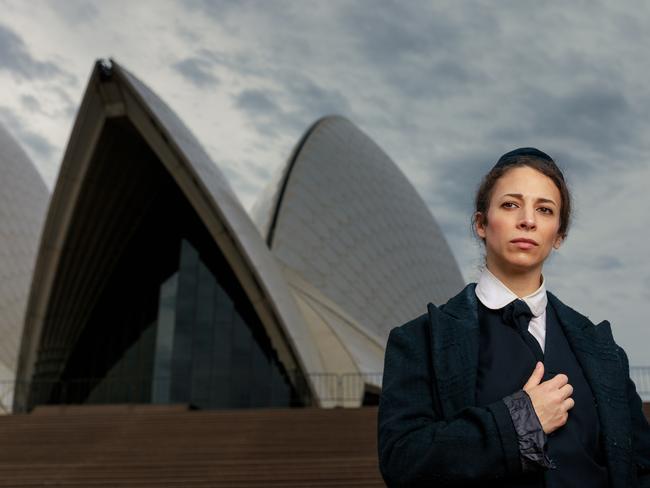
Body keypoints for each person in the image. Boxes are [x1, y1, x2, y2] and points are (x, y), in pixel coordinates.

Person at [377, 148, 650, 487]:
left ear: (559, 236)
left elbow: (640, 465)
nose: (528, 220)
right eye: (510, 204)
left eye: (545, 210)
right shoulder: (419, 340)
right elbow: (402, 462)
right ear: (480, 223)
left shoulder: (604, 351)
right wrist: (521, 422)